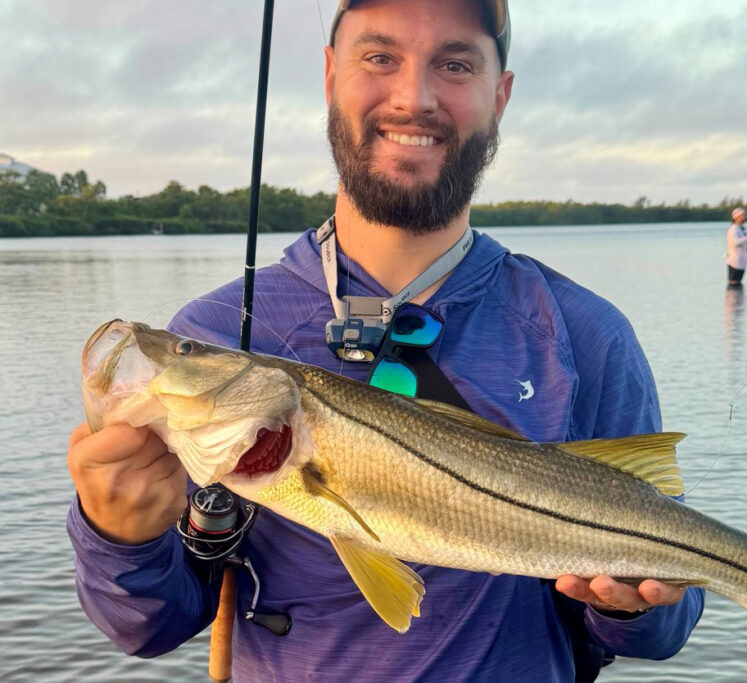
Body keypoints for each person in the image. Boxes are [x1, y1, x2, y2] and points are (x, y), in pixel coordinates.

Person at [65, 1, 704, 681]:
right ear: (330, 75)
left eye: (454, 64)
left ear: (500, 95)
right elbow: (147, 627)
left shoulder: (585, 334)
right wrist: (118, 535)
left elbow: (663, 631)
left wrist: (632, 604)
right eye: (379, 57)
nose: (413, 96)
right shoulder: (221, 329)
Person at [725, 206, 747, 285]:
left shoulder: (743, 230)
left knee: (738, 286)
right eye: (743, 215)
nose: (745, 217)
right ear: (736, 217)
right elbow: (734, 243)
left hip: (742, 264)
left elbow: (746, 247)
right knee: (733, 285)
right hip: (734, 263)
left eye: (745, 215)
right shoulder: (733, 229)